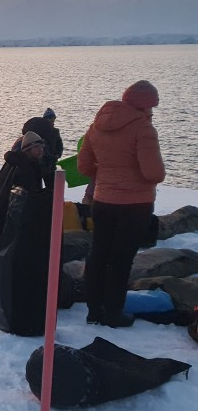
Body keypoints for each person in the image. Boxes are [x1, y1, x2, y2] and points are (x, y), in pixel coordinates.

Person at [78, 80, 165, 328]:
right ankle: (113, 313)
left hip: (102, 201)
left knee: (98, 254)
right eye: (152, 107)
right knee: (121, 259)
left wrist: (109, 171)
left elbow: (84, 167)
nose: (153, 112)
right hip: (135, 204)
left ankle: (93, 310)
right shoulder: (143, 129)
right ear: (145, 105)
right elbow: (154, 174)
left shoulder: (97, 126)